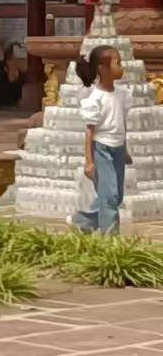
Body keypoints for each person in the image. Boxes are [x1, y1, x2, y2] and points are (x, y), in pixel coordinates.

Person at [74, 44, 129, 234]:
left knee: (117, 195)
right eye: (117, 63)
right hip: (102, 149)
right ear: (102, 68)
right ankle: (110, 238)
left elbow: (122, 123)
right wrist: (89, 161)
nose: (122, 67)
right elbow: (90, 131)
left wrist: (126, 149)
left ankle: (83, 222)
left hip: (118, 148)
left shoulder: (122, 95)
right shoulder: (95, 98)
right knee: (109, 195)